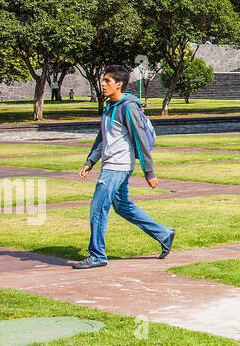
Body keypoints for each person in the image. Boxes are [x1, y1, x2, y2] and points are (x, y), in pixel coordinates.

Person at [73, 64, 175, 270]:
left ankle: (97, 254)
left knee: (98, 208)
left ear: (119, 84)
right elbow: (102, 138)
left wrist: (149, 172)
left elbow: (140, 140)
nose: (102, 84)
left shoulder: (128, 107)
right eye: (103, 80)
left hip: (117, 167)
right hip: (110, 165)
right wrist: (90, 162)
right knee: (122, 207)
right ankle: (163, 234)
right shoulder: (110, 106)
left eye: (107, 81)